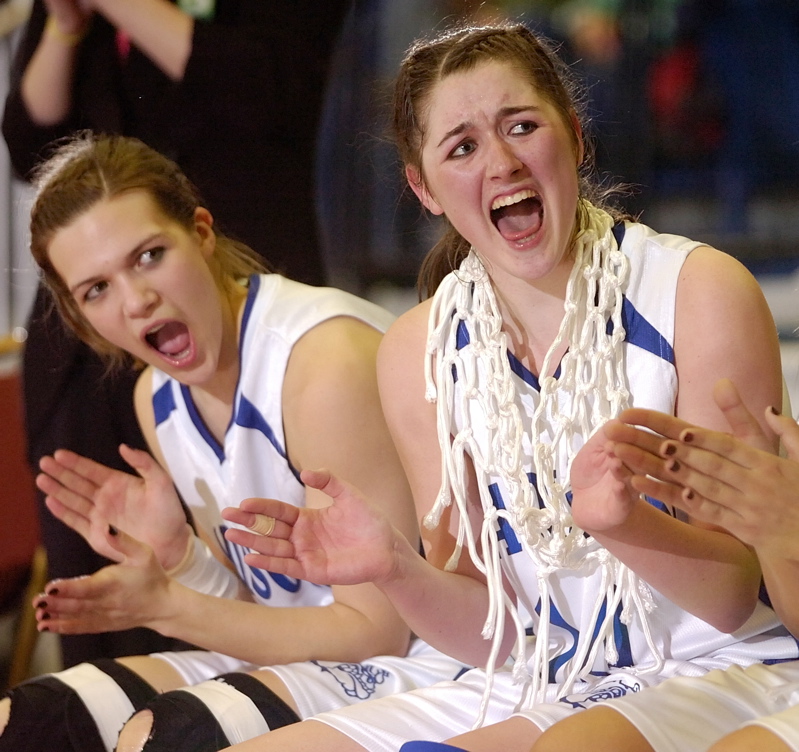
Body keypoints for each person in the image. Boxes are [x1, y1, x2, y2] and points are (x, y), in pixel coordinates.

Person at [207, 21, 798, 752]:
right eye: (462, 146)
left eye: (521, 126)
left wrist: (624, 526)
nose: (501, 163)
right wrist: (393, 568)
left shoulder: (697, 289)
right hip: (544, 678)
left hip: (720, 664)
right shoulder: (416, 350)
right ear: (422, 189)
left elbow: (734, 596)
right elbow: (494, 636)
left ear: (575, 139)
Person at [0, 133, 468, 752]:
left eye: (147, 256)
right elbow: (253, 610)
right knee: (24, 726)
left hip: (428, 661)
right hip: (313, 654)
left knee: (164, 740)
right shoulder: (155, 397)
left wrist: (166, 606)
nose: (137, 301)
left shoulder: (321, 366)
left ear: (200, 233)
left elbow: (371, 632)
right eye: (97, 290)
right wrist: (182, 557)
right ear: (83, 319)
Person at [2, 0, 353, 666]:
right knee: (103, 574)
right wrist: (67, 26)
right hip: (85, 352)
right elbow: (28, 144)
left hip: (227, 298)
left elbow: (266, 99)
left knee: (266, 555)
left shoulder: (315, 348)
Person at [532, 377, 799, 752]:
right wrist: (777, 535)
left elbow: (729, 601)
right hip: (560, 668)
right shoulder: (431, 346)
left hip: (735, 653)